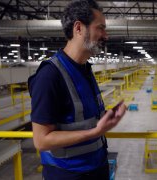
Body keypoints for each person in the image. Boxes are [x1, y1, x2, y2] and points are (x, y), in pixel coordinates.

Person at [28, 0, 127, 179]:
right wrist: (95, 132)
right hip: (68, 174)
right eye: (101, 28)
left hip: (97, 168)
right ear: (79, 28)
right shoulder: (50, 75)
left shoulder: (85, 69)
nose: (106, 36)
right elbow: (41, 140)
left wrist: (106, 117)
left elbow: (81, 118)